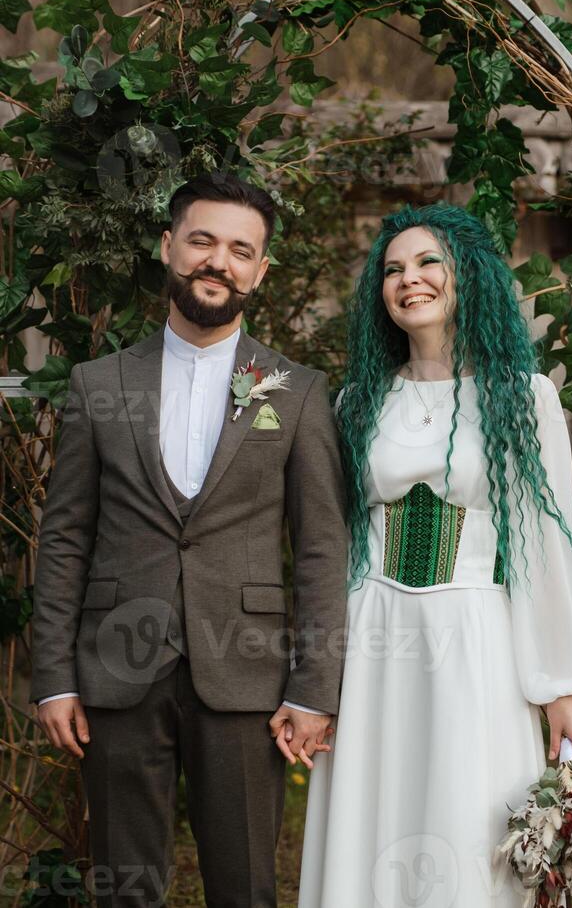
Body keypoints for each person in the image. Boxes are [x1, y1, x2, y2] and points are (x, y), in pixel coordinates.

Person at [30, 171, 348, 908]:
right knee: (124, 888)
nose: (219, 261)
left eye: (241, 250)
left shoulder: (295, 391)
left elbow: (323, 549)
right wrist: (54, 677)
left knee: (245, 888)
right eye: (203, 240)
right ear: (168, 245)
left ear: (260, 271)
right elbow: (66, 538)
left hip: (246, 679)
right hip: (114, 675)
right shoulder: (97, 381)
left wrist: (312, 687)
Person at [297, 203, 572, 908]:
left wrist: (563, 686)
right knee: (374, 818)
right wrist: (323, 676)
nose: (410, 279)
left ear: (467, 274)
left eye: (428, 262)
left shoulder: (523, 399)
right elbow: (335, 547)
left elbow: (544, 544)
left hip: (476, 643)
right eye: (393, 269)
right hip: (375, 642)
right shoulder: (356, 403)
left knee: (469, 820)